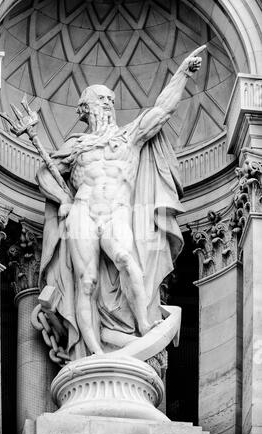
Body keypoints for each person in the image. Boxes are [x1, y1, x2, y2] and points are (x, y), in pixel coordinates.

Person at [36, 47, 204, 359]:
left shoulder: (130, 137)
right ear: (86, 106)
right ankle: (94, 352)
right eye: (102, 99)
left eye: (111, 100)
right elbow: (45, 173)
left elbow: (161, 111)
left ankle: (143, 322)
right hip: (83, 212)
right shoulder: (77, 145)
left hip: (117, 212)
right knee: (86, 282)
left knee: (127, 259)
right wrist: (62, 199)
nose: (109, 104)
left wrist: (181, 74)